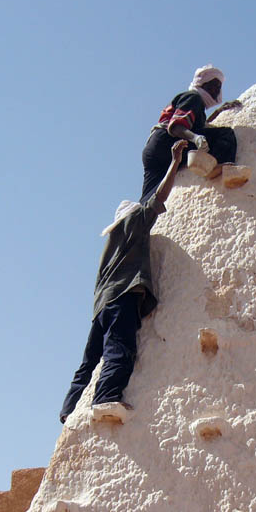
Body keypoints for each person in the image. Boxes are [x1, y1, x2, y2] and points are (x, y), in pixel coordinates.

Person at [59, 139, 190, 424]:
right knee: (120, 347)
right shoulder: (134, 226)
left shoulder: (111, 242)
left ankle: (69, 410)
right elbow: (159, 199)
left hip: (101, 306)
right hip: (122, 299)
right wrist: (176, 162)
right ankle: (105, 399)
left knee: (89, 362)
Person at [140, 65, 241, 202]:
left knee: (152, 195)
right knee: (226, 133)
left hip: (153, 150)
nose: (216, 90)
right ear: (203, 84)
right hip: (169, 141)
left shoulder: (195, 102)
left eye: (219, 87)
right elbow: (176, 127)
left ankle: (140, 218)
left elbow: (197, 124)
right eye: (213, 85)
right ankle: (220, 166)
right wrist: (196, 138)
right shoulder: (193, 98)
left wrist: (218, 112)